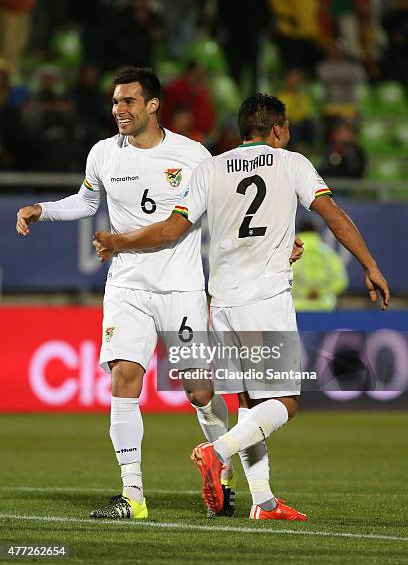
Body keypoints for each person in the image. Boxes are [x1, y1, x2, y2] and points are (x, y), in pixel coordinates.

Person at [93, 93, 389, 522]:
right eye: (285, 129)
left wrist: (119, 241)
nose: (287, 135)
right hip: (266, 297)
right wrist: (371, 265)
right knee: (284, 402)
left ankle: (263, 501)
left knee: (248, 402)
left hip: (223, 301)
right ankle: (216, 451)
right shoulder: (292, 163)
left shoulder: (211, 168)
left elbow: (174, 228)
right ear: (275, 129)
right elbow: (334, 215)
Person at [15, 66, 234, 521]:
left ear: (153, 104)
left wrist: (272, 242)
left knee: (198, 390)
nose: (119, 110)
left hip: (181, 286)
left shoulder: (193, 155)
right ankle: (132, 495)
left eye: (129, 101)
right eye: (116, 102)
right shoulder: (103, 154)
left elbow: (222, 212)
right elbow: (86, 201)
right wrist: (43, 210)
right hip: (127, 286)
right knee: (124, 379)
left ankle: (222, 469)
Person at [292, 219, 349, 311]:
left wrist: (304, 293)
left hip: (297, 306)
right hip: (324, 306)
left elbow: (282, 278)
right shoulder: (328, 252)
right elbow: (341, 281)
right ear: (316, 232)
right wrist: (322, 293)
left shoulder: (291, 253)